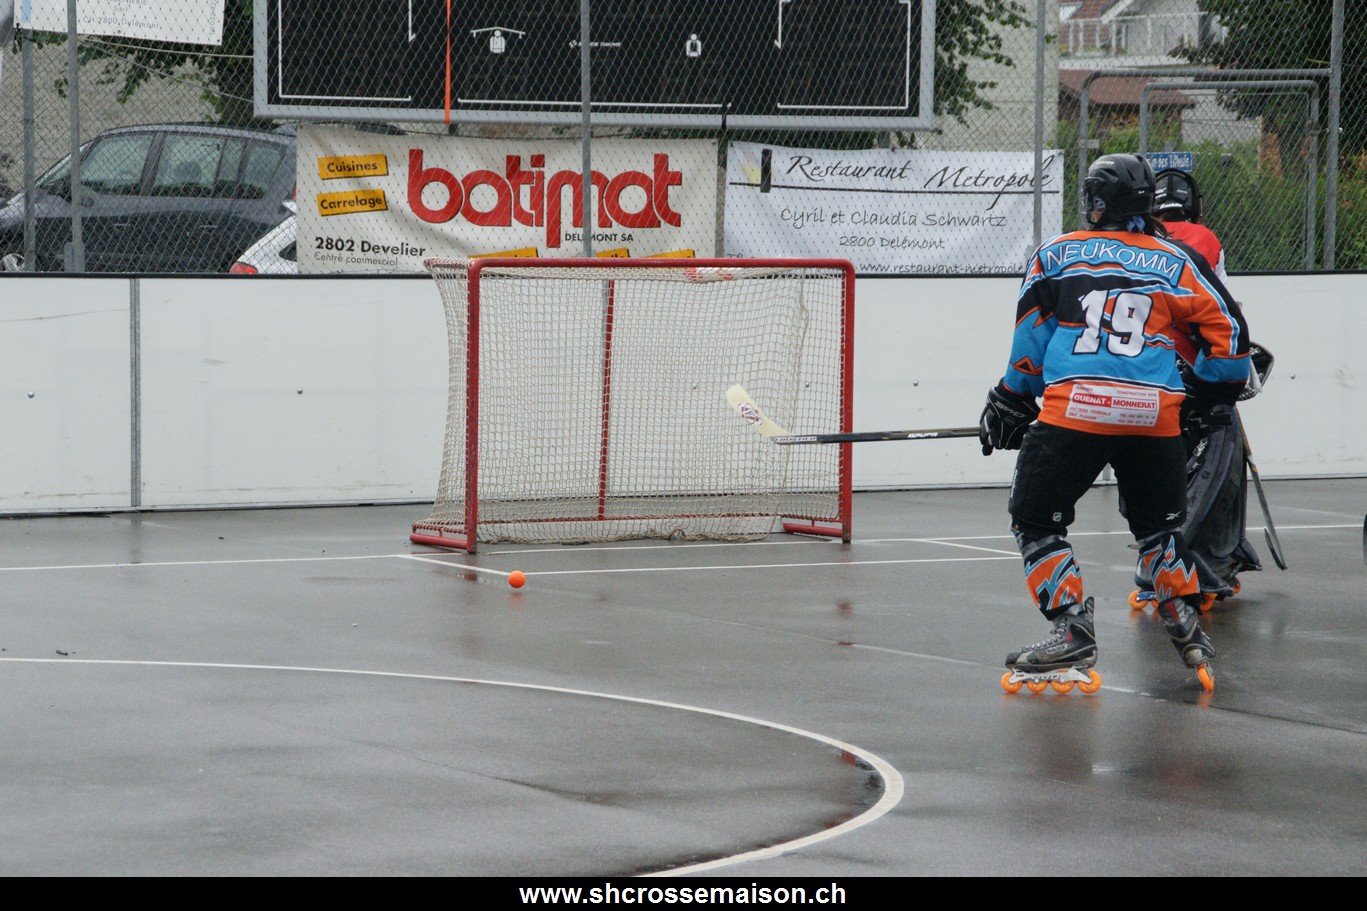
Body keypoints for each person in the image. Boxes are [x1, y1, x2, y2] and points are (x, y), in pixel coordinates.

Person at [979, 153, 1252, 695]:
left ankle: (1071, 629)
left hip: (1076, 411)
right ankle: (1182, 617)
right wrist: (1201, 396)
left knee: (1034, 519)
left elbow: (1031, 340)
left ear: (1096, 203)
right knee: (1158, 529)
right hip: (1152, 417)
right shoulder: (1176, 259)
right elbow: (1232, 340)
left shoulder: (1056, 254)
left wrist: (1010, 400)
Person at [1127, 168, 1275, 611]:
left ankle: (1164, 556)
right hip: (1191, 372)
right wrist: (1229, 375)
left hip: (1138, 370)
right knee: (1217, 459)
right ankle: (1192, 561)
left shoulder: (1134, 238)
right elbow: (1219, 310)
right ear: (1196, 207)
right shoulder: (1205, 238)